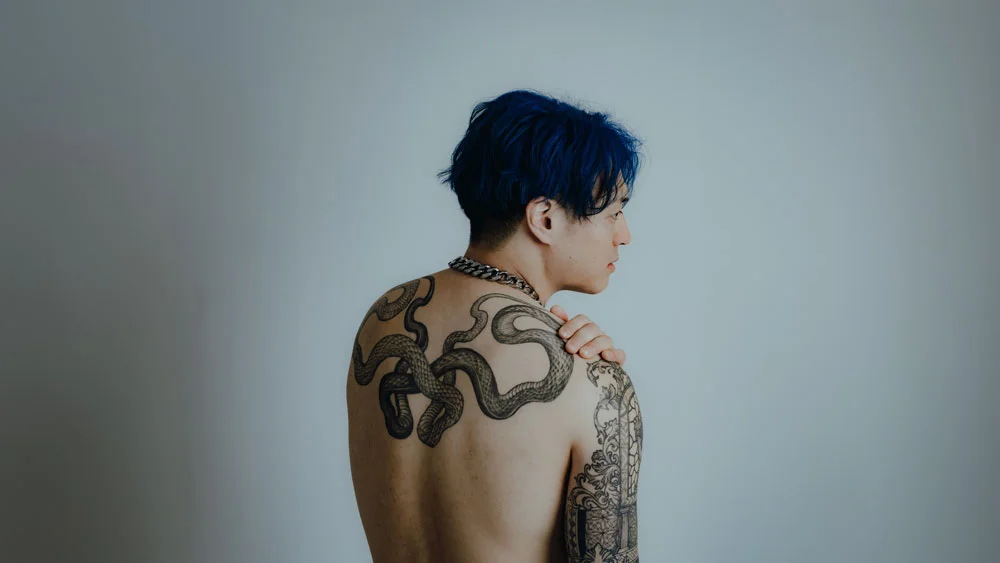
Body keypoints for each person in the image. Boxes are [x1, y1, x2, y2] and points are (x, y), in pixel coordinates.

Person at [347, 89, 643, 563]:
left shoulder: (383, 320)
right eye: (613, 212)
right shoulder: (594, 386)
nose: (624, 235)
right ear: (545, 218)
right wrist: (601, 379)